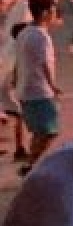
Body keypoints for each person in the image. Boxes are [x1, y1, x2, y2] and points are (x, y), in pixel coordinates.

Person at [14, 0, 63, 172]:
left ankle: (32, 164)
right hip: (39, 91)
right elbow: (45, 64)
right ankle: (32, 164)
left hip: (25, 89)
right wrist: (53, 86)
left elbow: (18, 60)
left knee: (38, 131)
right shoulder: (42, 37)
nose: (55, 14)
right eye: (53, 11)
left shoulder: (24, 32)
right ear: (44, 14)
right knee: (50, 131)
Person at [1, 23, 28, 161]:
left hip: (3, 85)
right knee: (19, 116)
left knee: (11, 114)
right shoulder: (18, 49)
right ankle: (19, 149)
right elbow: (16, 71)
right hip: (7, 86)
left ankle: (20, 148)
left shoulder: (8, 47)